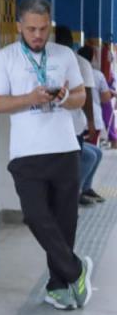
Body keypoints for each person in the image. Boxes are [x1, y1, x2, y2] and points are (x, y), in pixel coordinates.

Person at [0, 0, 92, 310]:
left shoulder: (64, 55)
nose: (38, 35)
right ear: (19, 26)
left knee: (65, 222)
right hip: (26, 153)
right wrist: (29, 98)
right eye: (31, 29)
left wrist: (63, 97)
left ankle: (58, 287)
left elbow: (80, 96)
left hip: (65, 149)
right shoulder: (5, 58)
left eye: (44, 29)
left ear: (50, 25)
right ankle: (76, 270)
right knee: (36, 217)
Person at [74, 46, 103, 205]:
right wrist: (91, 123)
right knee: (89, 157)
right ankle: (75, 192)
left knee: (97, 152)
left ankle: (85, 188)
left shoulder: (78, 63)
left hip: (77, 126)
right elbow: (88, 96)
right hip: (71, 129)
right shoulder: (82, 64)